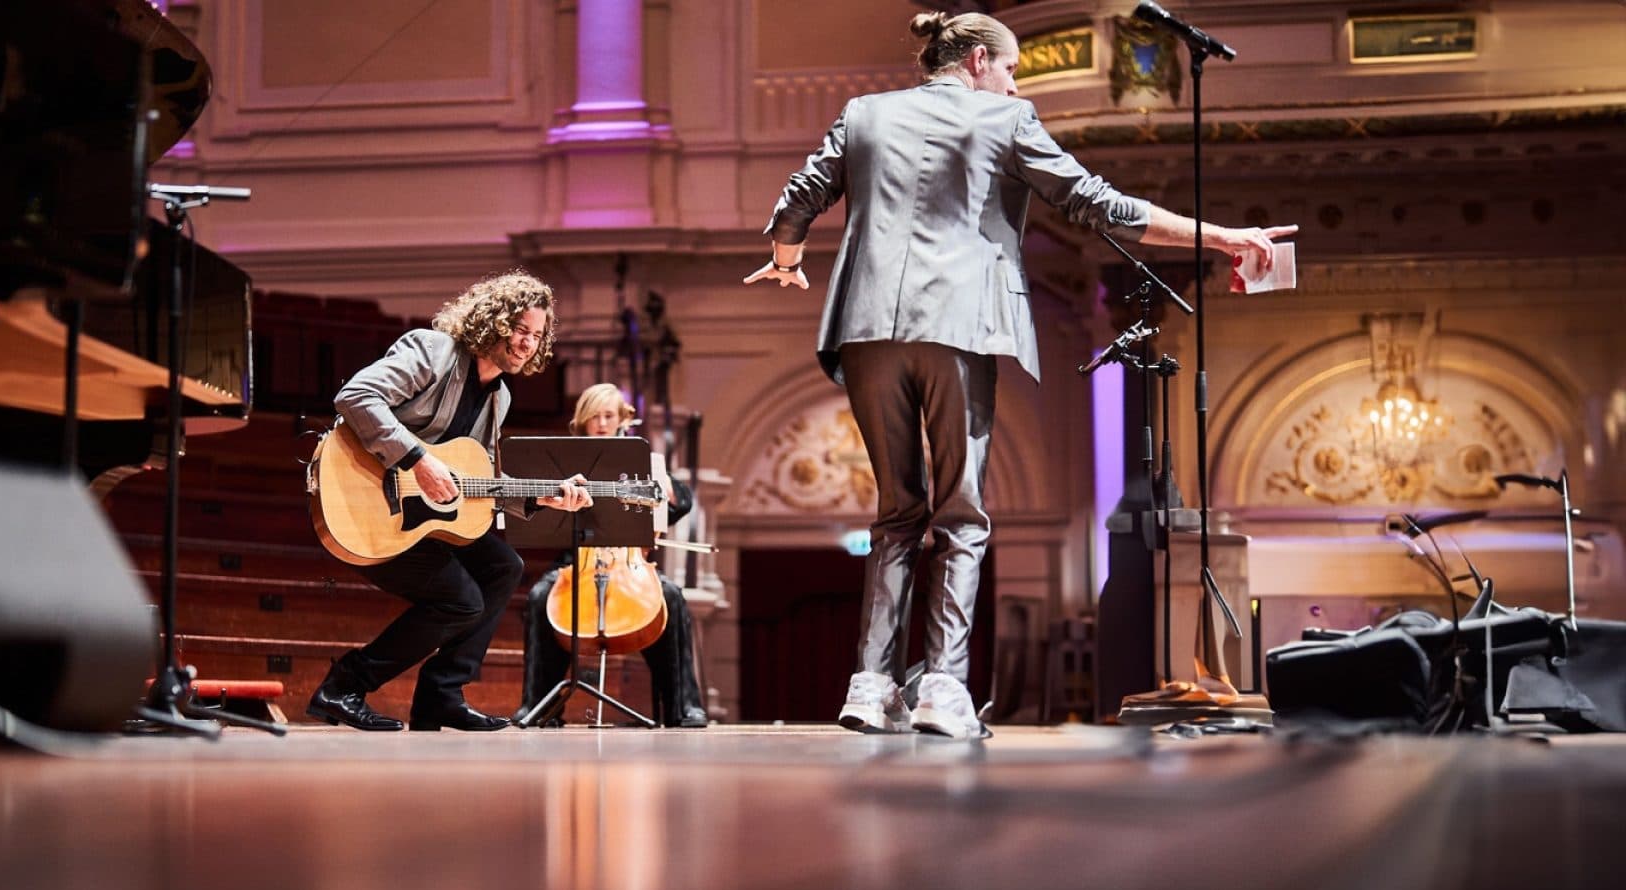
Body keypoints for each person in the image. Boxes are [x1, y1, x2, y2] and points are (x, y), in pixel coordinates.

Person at [745, 11, 1296, 738]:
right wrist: (1222, 236)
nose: (1014, 82)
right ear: (978, 60)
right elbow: (1100, 205)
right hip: (958, 326)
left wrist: (787, 259)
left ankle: (871, 685)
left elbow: (801, 195)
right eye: (1010, 69)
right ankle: (943, 686)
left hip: (867, 329)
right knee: (963, 515)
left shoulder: (864, 113)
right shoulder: (1007, 119)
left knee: (896, 513)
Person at [308, 270, 593, 732]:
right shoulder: (432, 352)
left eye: (536, 336)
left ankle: (441, 697)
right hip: (363, 504)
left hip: (417, 518)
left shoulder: (499, 397)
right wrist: (418, 460)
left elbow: (477, 481)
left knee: (503, 567)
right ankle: (344, 685)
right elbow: (356, 395)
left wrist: (542, 498)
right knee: (461, 601)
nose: (527, 344)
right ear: (494, 322)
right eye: (520, 330)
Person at [510, 384, 710, 728]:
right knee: (542, 596)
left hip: (628, 564)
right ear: (582, 421)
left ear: (622, 420)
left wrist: (667, 489)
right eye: (594, 417)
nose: (601, 423)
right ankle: (540, 705)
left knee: (672, 599)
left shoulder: (638, 461)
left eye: (609, 416)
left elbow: (683, 502)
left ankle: (683, 706)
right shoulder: (564, 462)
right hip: (576, 562)